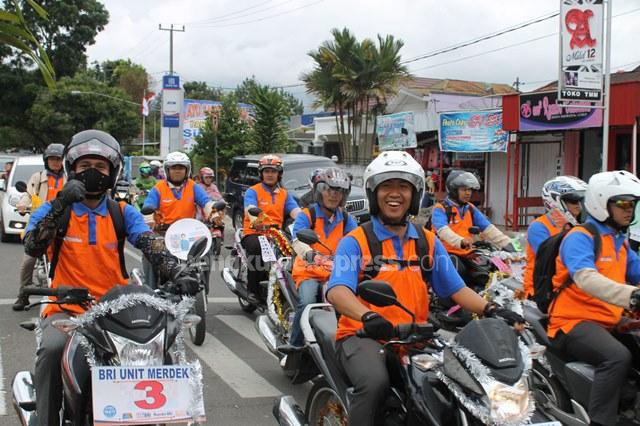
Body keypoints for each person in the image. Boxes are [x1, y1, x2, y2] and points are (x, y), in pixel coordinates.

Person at [326, 151, 524, 426]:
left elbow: (456, 289)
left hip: (415, 335)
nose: (395, 194)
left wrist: (493, 309)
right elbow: (338, 291)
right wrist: (368, 317)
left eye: (403, 187)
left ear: (415, 194)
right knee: (374, 384)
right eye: (387, 186)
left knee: (454, 387)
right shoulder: (356, 240)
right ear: (374, 193)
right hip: (363, 336)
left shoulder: (426, 241)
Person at [21, 130, 193, 426]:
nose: (92, 173)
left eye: (100, 167)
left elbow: (148, 242)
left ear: (112, 173)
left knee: (156, 353)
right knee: (51, 350)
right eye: (85, 167)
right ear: (71, 170)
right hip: (67, 309)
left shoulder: (122, 211)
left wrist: (177, 269)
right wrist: (61, 203)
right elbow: (33, 245)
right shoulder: (55, 210)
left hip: (116, 310)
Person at [547, 170, 640, 426]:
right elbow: (586, 278)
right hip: (572, 321)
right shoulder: (580, 237)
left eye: (632, 204)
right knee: (617, 357)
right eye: (622, 203)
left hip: (608, 319)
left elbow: (637, 270)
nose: (628, 210)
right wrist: (631, 296)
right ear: (601, 203)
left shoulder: (619, 240)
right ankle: (601, 421)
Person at [280, 167, 357, 353]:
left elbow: (358, 241)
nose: (333, 195)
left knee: (352, 303)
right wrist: (308, 253)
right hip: (309, 270)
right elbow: (297, 239)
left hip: (335, 272)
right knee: (307, 302)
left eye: (338, 191)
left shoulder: (346, 219)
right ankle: (296, 344)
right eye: (329, 189)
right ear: (319, 191)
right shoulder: (308, 215)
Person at [141, 151, 217, 287]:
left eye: (181, 168)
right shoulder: (158, 188)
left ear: (186, 170)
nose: (177, 171)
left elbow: (206, 202)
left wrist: (213, 213)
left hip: (189, 235)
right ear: (167, 170)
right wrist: (149, 218)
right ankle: (151, 290)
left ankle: (203, 287)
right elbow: (149, 205)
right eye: (174, 168)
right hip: (163, 234)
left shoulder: (193, 186)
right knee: (150, 253)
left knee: (206, 252)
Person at [431, 170, 515, 282]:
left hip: (467, 252)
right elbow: (443, 231)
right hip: (445, 252)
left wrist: (510, 244)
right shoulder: (440, 208)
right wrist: (461, 241)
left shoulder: (470, 208)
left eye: (469, 189)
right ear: (453, 190)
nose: (468, 193)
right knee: (458, 272)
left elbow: (488, 228)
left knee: (490, 269)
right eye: (464, 189)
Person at [13, 143, 66, 311]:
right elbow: (28, 195)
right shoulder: (37, 177)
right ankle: (23, 294)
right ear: (46, 161)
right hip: (40, 223)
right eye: (52, 159)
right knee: (28, 260)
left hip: (65, 223)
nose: (56, 162)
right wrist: (23, 205)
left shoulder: (69, 179)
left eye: (59, 159)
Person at [242, 154, 301, 303]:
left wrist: (306, 219)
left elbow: (295, 211)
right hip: (254, 232)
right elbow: (250, 208)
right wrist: (257, 219)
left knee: (295, 251)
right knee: (256, 248)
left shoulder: (284, 194)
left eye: (273, 171)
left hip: (277, 233)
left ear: (279, 174)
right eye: (266, 171)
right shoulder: (253, 191)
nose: (269, 174)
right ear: (261, 173)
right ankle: (252, 290)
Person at [522, 176, 586, 298]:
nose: (579, 206)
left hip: (567, 287)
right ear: (556, 201)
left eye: (579, 201)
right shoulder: (539, 227)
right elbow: (550, 260)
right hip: (541, 291)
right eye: (573, 201)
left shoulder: (574, 227)